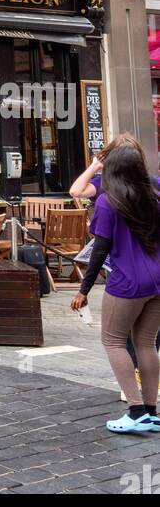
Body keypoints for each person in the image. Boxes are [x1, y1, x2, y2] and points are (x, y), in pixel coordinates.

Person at [72, 141, 160, 433]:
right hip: (158, 279)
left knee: (112, 340)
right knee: (146, 343)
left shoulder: (108, 202)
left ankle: (135, 411)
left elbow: (100, 250)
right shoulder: (155, 193)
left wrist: (84, 289)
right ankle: (151, 410)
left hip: (127, 281)